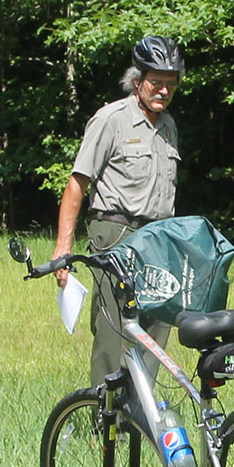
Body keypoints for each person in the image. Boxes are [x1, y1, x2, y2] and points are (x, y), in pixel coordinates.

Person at [53, 35, 183, 384]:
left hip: (159, 239)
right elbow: (77, 183)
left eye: (170, 85)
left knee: (156, 327)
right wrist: (63, 248)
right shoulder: (111, 119)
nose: (163, 92)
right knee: (114, 330)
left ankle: (142, 419)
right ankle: (104, 423)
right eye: (156, 83)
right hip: (116, 234)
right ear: (137, 80)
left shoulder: (168, 126)